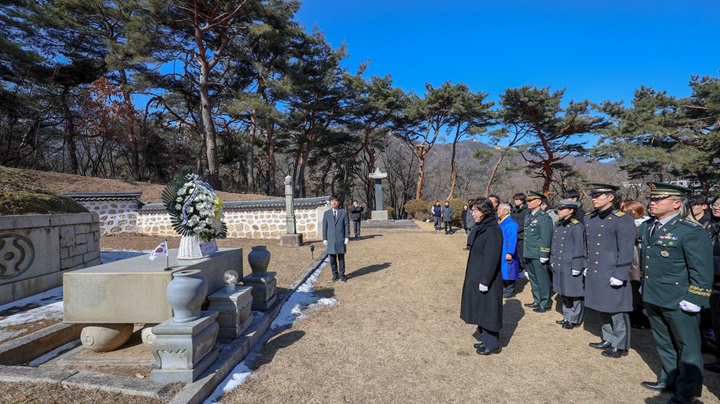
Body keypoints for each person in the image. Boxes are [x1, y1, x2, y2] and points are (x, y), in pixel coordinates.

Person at [638, 183, 713, 404]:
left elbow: (701, 268)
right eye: (651, 199)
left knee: (687, 346)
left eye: (658, 199)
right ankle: (669, 379)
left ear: (676, 203)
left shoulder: (690, 230)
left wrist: (695, 298)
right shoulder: (648, 226)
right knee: (664, 342)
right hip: (653, 294)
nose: (652, 202)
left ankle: (687, 391)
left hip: (679, 299)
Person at [584, 183, 636, 359]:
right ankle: (607, 338)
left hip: (613, 271)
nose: (594, 198)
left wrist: (621, 274)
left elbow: (626, 249)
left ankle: (620, 345)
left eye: (598, 195)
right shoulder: (590, 218)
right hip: (595, 270)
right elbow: (587, 245)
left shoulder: (622, 219)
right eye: (593, 195)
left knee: (616, 310)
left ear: (610, 197)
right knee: (601, 306)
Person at [460, 198, 504, 355]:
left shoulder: (492, 230)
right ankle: (485, 340)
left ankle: (492, 344)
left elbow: (491, 258)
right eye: (472, 210)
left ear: (485, 212)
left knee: (488, 310)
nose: (473, 213)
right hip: (476, 275)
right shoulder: (482, 227)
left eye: (475, 210)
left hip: (487, 279)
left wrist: (485, 281)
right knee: (480, 308)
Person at [550, 200, 587, 329]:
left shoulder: (576, 226)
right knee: (564, 291)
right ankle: (567, 316)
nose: (558, 211)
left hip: (572, 264)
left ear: (571, 210)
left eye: (562, 208)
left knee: (574, 293)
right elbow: (554, 245)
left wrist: (578, 266)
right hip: (560, 263)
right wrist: (553, 260)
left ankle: (574, 319)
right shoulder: (559, 225)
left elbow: (579, 247)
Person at [620, 199, 652, 329]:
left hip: (637, 257)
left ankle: (639, 315)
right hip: (631, 256)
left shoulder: (644, 224)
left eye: (625, 210)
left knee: (636, 284)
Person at [522, 191, 553, 313]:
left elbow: (546, 236)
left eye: (531, 200)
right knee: (533, 278)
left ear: (539, 202)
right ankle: (537, 299)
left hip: (538, 254)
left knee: (542, 279)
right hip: (529, 252)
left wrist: (544, 254)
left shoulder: (544, 217)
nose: (528, 203)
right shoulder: (528, 216)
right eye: (528, 201)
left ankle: (544, 302)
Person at [704, 195, 720, 374]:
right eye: (715, 204)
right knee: (716, 321)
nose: (716, 207)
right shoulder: (710, 225)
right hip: (713, 281)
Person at [322, 195, 351, 282]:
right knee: (332, 258)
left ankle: (342, 275)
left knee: (341, 258)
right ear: (330, 202)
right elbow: (324, 227)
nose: (334, 202)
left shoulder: (344, 212)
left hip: (340, 238)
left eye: (336, 201)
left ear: (338, 202)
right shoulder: (326, 214)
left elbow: (347, 225)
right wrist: (325, 238)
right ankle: (335, 275)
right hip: (330, 239)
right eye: (332, 201)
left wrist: (347, 236)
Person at [497, 203, 520, 298]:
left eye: (499, 209)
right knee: (503, 269)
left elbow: (512, 239)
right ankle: (503, 287)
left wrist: (510, 252)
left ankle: (510, 289)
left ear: (506, 211)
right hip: (501, 250)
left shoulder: (511, 223)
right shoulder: (501, 221)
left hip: (507, 251)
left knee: (508, 269)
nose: (497, 211)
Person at [511, 193, 529, 272]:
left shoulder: (527, 210)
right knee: (516, 253)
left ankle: (524, 268)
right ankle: (519, 268)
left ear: (522, 200)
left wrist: (517, 229)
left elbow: (524, 223)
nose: (515, 201)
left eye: (517, 200)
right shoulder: (514, 210)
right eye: (514, 200)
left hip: (522, 235)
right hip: (514, 235)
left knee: (522, 253)